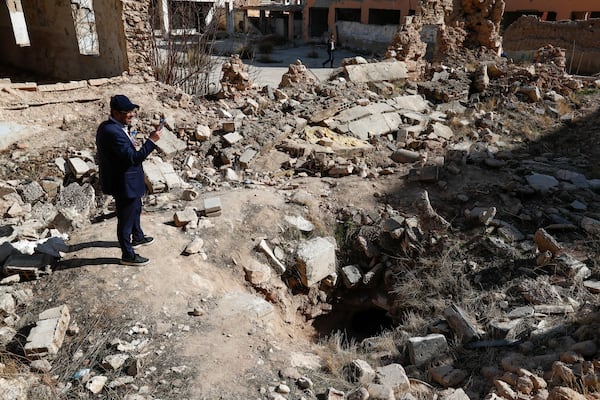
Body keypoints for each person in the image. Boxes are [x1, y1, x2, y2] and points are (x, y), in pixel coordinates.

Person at [96, 95, 162, 266]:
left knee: (136, 208)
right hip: (123, 183)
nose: (132, 115)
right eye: (128, 113)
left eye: (133, 111)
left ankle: (138, 236)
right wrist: (151, 141)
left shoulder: (114, 127)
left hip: (129, 181)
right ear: (116, 113)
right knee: (125, 218)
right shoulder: (111, 131)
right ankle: (128, 254)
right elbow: (133, 158)